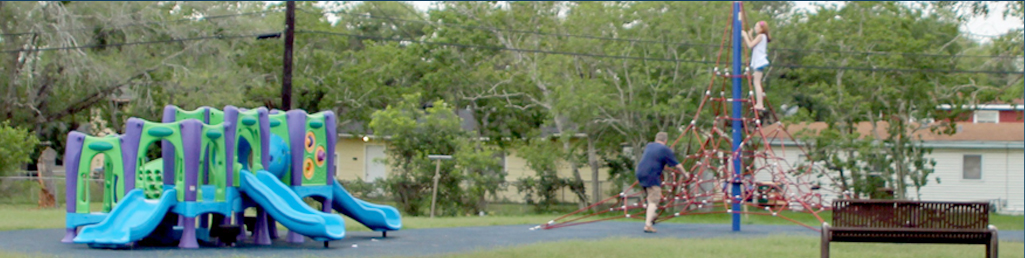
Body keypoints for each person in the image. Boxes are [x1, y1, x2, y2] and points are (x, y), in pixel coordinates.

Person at [634, 132, 686, 233]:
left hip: (640, 173)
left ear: (656, 139)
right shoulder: (665, 149)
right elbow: (678, 166)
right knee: (654, 201)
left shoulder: (649, 146)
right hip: (651, 175)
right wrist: (685, 175)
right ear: (665, 141)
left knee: (650, 198)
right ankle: (648, 225)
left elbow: (654, 160)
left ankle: (652, 216)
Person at [740, 17, 771, 112]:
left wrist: (745, 35)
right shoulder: (762, 37)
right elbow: (755, 46)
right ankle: (759, 103)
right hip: (759, 61)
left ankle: (760, 104)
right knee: (756, 81)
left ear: (761, 29)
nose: (755, 28)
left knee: (756, 83)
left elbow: (750, 45)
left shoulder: (761, 36)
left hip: (759, 61)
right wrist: (750, 36)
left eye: (757, 26)